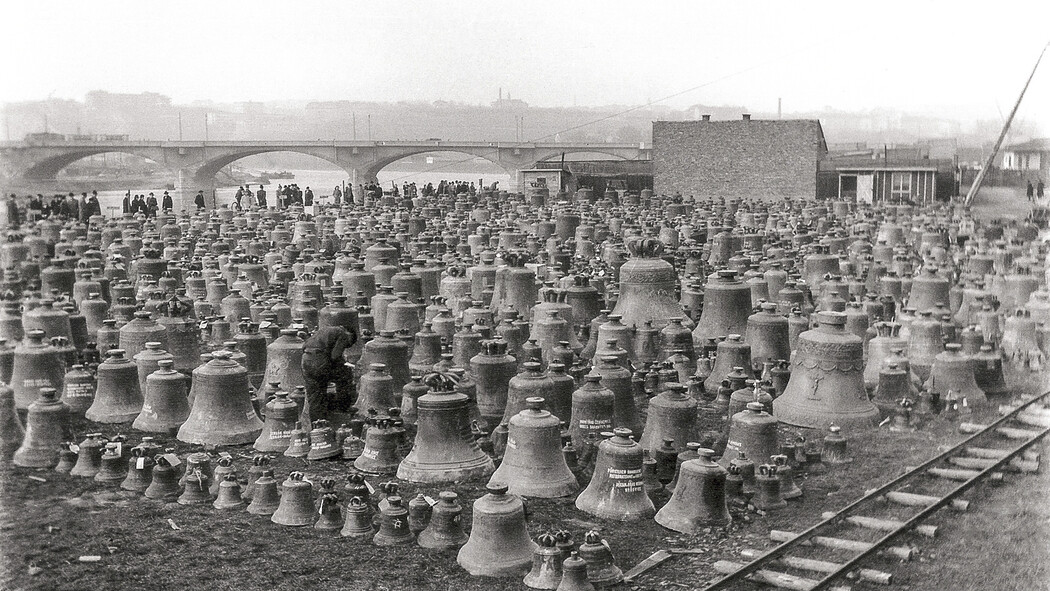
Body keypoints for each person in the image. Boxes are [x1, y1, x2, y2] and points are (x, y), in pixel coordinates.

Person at [300, 326, 356, 424]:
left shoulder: (323, 330)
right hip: (319, 361)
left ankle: (317, 425)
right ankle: (343, 407)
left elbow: (304, 346)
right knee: (345, 376)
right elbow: (335, 356)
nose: (346, 346)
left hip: (306, 360)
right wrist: (344, 364)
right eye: (348, 345)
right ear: (350, 336)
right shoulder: (343, 334)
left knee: (315, 395)